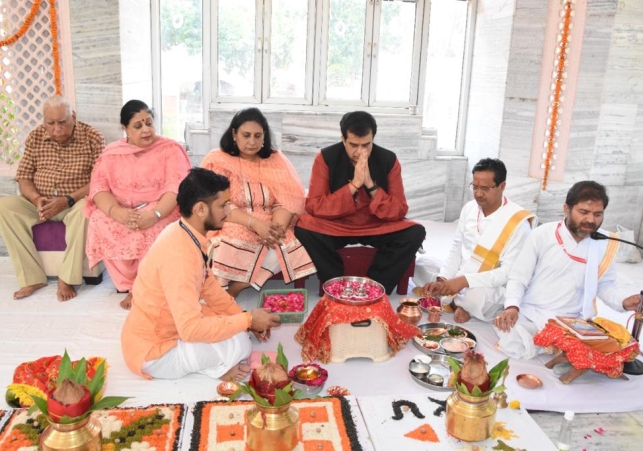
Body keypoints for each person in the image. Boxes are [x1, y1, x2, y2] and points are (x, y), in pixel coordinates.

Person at [121, 168, 281, 381]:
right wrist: (247, 320)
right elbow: (190, 329)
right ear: (200, 209)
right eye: (222, 205)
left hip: (163, 328)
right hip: (154, 353)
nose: (228, 211)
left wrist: (244, 320)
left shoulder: (184, 232)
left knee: (235, 329)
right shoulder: (179, 256)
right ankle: (216, 369)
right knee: (241, 346)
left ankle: (219, 350)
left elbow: (210, 288)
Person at [494, 181, 640, 359]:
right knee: (511, 338)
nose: (591, 220)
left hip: (573, 323)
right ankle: (558, 347)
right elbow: (518, 277)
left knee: (614, 349)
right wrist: (512, 307)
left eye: (598, 214)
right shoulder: (542, 235)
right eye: (584, 212)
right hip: (532, 313)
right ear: (566, 209)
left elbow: (604, 285)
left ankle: (560, 345)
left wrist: (623, 302)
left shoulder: (604, 243)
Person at [294, 111, 426, 295]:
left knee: (415, 232)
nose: (360, 152)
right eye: (353, 145)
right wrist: (354, 184)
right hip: (336, 226)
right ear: (343, 138)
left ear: (373, 138)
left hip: (376, 225)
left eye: (366, 145)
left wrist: (370, 185)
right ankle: (336, 283)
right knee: (304, 228)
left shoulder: (389, 160)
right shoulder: (325, 158)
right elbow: (315, 206)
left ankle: (374, 286)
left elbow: (399, 210)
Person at [83, 100, 191, 309]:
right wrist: (117, 213)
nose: (146, 130)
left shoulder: (170, 149)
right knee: (99, 219)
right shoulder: (112, 153)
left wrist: (156, 214)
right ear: (125, 129)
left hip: (161, 208)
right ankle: (129, 284)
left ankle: (145, 288)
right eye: (138, 126)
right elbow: (99, 188)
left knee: (155, 228)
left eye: (149, 123)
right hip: (122, 210)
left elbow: (176, 189)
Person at [200, 108, 316, 297]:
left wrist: (275, 228)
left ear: (264, 137)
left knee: (283, 241)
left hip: (271, 219)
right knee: (231, 241)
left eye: (257, 136)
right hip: (232, 219)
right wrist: (255, 224)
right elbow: (220, 204)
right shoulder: (219, 160)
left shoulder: (276, 160)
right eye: (246, 135)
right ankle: (219, 293)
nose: (252, 142)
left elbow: (287, 200)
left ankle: (238, 286)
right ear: (234, 134)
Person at [0, 95, 104, 301]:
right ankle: (32, 278)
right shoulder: (36, 136)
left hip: (74, 202)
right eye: (50, 123)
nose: (56, 129)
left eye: (62, 122)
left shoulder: (93, 137)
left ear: (73, 117)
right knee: (5, 206)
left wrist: (68, 200)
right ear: (44, 122)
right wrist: (36, 198)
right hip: (41, 202)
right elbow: (24, 177)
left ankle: (67, 277)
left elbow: (100, 180)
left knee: (86, 211)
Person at [419, 158, 536, 323]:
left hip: (489, 285)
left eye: (485, 188)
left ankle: (463, 306)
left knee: (475, 297)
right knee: (424, 265)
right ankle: (455, 301)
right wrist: (443, 279)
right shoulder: (469, 208)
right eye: (475, 187)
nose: (478, 193)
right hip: (461, 276)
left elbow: (508, 273)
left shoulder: (518, 224)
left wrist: (464, 281)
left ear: (502, 186)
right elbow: (457, 247)